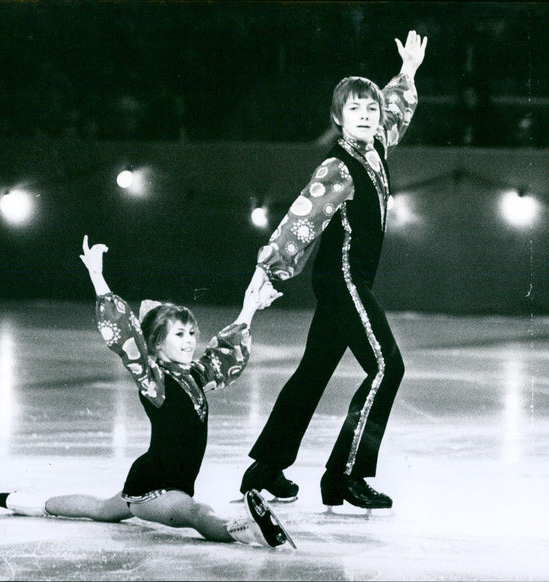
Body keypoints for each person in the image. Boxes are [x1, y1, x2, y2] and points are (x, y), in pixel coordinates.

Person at [0, 236, 295, 549]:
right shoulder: (155, 382)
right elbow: (125, 334)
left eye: (191, 333)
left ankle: (20, 501)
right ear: (159, 344)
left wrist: (251, 307)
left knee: (100, 509)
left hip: (159, 483)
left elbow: (225, 351)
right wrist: (97, 277)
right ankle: (246, 529)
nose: (190, 340)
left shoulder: (195, 376)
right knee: (195, 512)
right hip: (155, 489)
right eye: (180, 334)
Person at [238, 30, 427, 510]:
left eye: (371, 109)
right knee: (387, 367)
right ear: (339, 120)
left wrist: (406, 73)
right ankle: (345, 476)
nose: (366, 116)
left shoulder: (377, 148)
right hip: (342, 280)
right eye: (355, 110)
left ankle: (264, 470)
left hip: (350, 282)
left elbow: (398, 108)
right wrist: (270, 271)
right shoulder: (339, 168)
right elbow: (299, 221)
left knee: (313, 372)